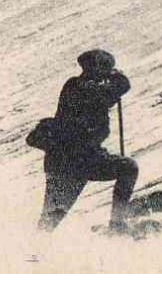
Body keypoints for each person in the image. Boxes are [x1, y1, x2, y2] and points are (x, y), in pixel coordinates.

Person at [38, 49, 138, 232]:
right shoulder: (88, 90)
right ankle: (117, 224)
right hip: (76, 162)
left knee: (50, 219)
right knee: (128, 168)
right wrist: (116, 75)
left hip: (63, 161)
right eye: (104, 70)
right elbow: (122, 86)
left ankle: (32, 249)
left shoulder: (72, 85)